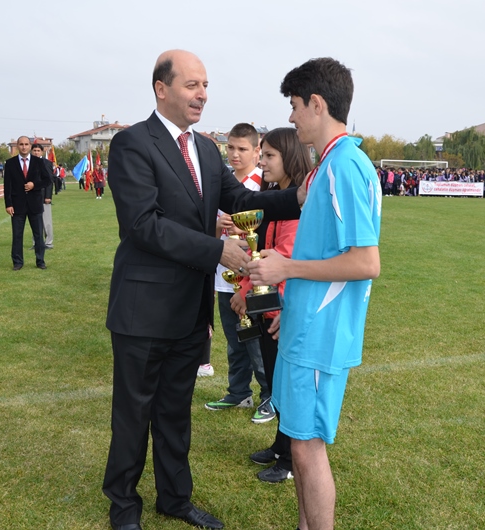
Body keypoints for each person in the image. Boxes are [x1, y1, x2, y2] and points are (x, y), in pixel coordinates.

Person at [102, 49, 302, 530]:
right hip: (143, 311)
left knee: (175, 413)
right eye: (192, 85)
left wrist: (297, 196)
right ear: (161, 88)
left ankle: (175, 499)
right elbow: (143, 225)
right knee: (133, 415)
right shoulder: (132, 144)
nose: (203, 95)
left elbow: (243, 200)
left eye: (206, 85)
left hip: (189, 313)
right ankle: (124, 508)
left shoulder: (207, 149)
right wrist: (217, 251)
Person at [248, 57, 382, 530]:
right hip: (305, 325)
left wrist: (286, 268)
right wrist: (293, 301)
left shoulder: (345, 165)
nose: (291, 117)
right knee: (300, 443)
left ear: (317, 104)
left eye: (294, 105)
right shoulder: (329, 165)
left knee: (307, 448)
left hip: (322, 334)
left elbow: (366, 262)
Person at [236, 127, 310, 483]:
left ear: (289, 157)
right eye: (262, 155)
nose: (262, 162)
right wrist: (246, 287)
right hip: (267, 306)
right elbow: (261, 251)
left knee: (289, 387)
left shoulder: (297, 205)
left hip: (283, 309)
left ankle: (292, 460)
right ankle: (281, 446)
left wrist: (278, 305)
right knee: (277, 385)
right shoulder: (272, 198)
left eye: (269, 156)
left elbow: (285, 255)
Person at [204, 123, 272, 422]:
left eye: (242, 149)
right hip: (223, 276)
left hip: (252, 278)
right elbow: (207, 231)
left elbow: (268, 236)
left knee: (255, 339)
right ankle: (238, 392)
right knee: (234, 340)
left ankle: (269, 394)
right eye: (230, 147)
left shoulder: (263, 185)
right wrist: (217, 227)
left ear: (257, 151)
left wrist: (243, 236)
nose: (235, 154)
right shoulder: (223, 184)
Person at [3, 136, 51, 270]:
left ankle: (40, 261)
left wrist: (34, 185)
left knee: (38, 234)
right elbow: (7, 185)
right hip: (17, 205)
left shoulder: (38, 162)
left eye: (26, 144)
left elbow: (47, 180)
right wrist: (8, 204)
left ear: (30, 146)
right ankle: (17, 262)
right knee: (17, 235)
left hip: (35, 204)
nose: (24, 147)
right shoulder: (10, 163)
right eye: (21, 144)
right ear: (17, 146)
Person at [31, 144, 55, 249]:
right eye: (34, 150)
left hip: (44, 197)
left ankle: (48, 242)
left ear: (41, 152)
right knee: (35, 221)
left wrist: (48, 196)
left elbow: (49, 181)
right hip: (32, 197)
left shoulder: (46, 163)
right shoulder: (29, 163)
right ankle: (36, 243)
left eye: (38, 150)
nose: (36, 152)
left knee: (46, 221)